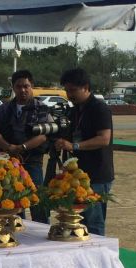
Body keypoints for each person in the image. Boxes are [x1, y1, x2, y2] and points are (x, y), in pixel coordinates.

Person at [0, 69, 52, 223]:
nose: (23, 90)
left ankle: (42, 232)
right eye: (19, 86)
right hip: (8, 163)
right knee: (12, 201)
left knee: (37, 201)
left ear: (31, 85)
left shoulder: (41, 108)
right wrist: (9, 147)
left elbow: (44, 135)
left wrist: (22, 147)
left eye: (26, 86)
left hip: (32, 162)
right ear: (13, 88)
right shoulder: (4, 109)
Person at [55, 68, 114, 236]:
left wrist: (74, 146)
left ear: (86, 87)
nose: (69, 95)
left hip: (96, 175)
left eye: (73, 90)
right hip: (78, 175)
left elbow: (104, 139)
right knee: (79, 221)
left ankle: (97, 252)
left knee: (94, 222)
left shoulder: (99, 108)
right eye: (67, 91)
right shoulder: (75, 110)